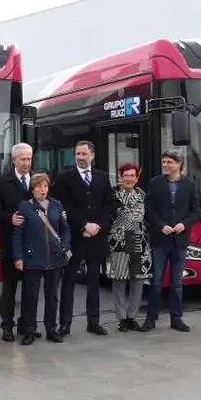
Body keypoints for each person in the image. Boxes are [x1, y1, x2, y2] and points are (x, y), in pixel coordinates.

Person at [52, 140, 116, 337]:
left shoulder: (102, 178)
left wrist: (98, 225)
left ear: (92, 155)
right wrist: (83, 225)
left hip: (97, 237)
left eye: (84, 154)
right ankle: (65, 324)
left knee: (94, 282)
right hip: (74, 238)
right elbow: (62, 205)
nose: (80, 157)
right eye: (78, 154)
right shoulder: (64, 179)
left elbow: (110, 204)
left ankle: (94, 322)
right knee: (69, 282)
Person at [143, 151, 200, 332]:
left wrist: (184, 224)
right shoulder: (155, 183)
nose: (166, 165)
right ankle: (150, 319)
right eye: (164, 162)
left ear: (178, 164)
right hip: (160, 240)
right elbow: (149, 211)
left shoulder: (189, 184)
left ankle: (176, 319)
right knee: (156, 282)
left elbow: (196, 211)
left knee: (176, 283)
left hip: (180, 241)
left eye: (170, 162)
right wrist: (161, 226)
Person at [12, 173, 71, 345]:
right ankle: (30, 330)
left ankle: (51, 329)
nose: (42, 189)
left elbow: (65, 230)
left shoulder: (57, 205)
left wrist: (65, 246)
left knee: (52, 296)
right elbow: (17, 235)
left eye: (45, 186)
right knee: (31, 296)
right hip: (32, 259)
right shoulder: (24, 207)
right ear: (32, 189)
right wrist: (18, 257)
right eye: (38, 186)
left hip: (55, 259)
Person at [0, 142, 34, 342]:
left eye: (29, 159)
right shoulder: (1, 183)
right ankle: (7, 327)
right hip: (10, 242)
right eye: (22, 159)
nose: (26, 163)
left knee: (31, 286)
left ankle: (26, 324)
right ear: (14, 160)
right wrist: (9, 218)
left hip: (33, 244)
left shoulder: (38, 181)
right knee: (9, 287)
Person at [106, 162, 152, 332]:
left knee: (137, 280)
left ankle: (132, 316)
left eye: (132, 175)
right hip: (118, 241)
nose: (129, 178)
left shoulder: (141, 194)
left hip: (138, 240)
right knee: (119, 280)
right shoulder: (113, 195)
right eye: (126, 175)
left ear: (137, 178)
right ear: (121, 177)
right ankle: (122, 318)